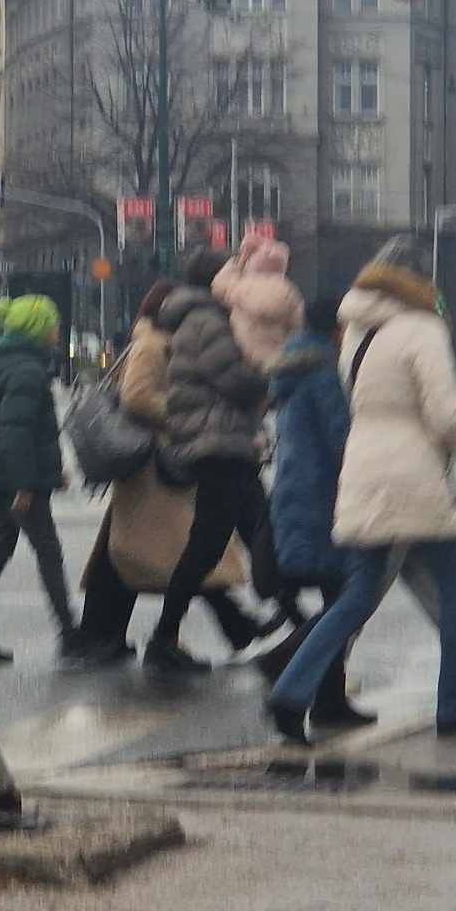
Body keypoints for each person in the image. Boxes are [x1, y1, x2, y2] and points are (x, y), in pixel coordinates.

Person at [266, 236, 456, 744]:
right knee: (455, 593)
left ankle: (290, 691)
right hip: (414, 476)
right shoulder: (423, 330)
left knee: (357, 594)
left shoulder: (357, 328)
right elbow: (444, 417)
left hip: (363, 468)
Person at [66, 283, 270, 666]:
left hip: (164, 465)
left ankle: (103, 634)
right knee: (181, 551)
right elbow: (137, 396)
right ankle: (226, 627)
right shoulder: (151, 345)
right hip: (153, 467)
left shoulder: (169, 342)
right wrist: (183, 416)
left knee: (154, 551)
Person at [149, 248, 275, 674]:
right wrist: (267, 374)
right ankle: (165, 636)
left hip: (225, 442)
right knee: (211, 543)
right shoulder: (208, 321)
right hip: (217, 443)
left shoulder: (203, 319)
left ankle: (292, 624)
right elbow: (235, 379)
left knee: (259, 529)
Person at [260, 296, 373, 728]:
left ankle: (329, 700)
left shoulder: (292, 368)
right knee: (345, 602)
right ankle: (287, 667)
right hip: (323, 498)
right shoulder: (322, 373)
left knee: (337, 597)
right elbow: (340, 438)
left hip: (295, 494)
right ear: (336, 330)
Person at [0, 294, 75, 663]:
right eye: (53, 324)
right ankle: (69, 632)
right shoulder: (28, 372)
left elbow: (20, 430)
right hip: (14, 481)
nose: (58, 330)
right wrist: (25, 484)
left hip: (3, 476)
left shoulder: (16, 365)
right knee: (48, 551)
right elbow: (15, 433)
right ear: (38, 330)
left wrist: (49, 472)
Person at [210, 234, 304, 371]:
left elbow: (220, 285)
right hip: (275, 363)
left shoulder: (246, 289)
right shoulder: (288, 290)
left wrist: (241, 257)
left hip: (253, 365)